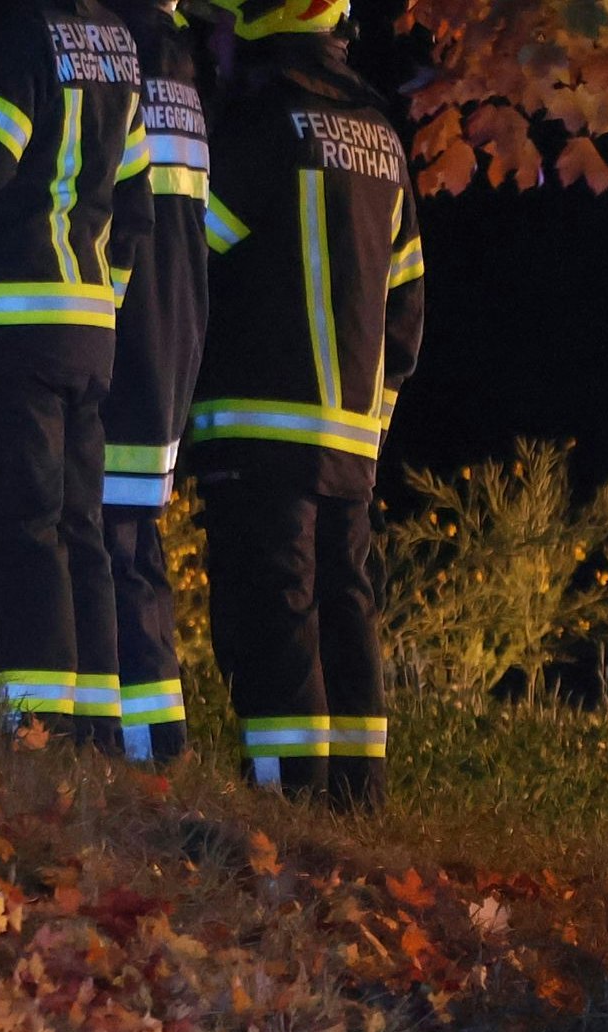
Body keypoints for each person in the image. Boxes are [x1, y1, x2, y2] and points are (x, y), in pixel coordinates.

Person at [184, 0, 412, 805]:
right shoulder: (380, 134)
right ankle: (358, 796)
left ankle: (286, 799)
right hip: (351, 438)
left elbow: (192, 253)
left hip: (257, 428)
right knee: (346, 606)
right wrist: (372, 417)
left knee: (272, 615)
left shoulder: (261, 122)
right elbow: (407, 289)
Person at [0, 0, 144, 742]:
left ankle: (36, 726)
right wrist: (103, 299)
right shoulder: (116, 40)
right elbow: (137, 204)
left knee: (25, 524)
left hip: (16, 314)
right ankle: (97, 729)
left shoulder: (19, 30)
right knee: (83, 528)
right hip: (91, 322)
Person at [98, 0, 197, 757]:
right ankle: (159, 738)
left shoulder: (124, 53)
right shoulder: (179, 69)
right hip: (172, 340)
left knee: (104, 542)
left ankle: (121, 742)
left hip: (120, 332)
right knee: (136, 546)